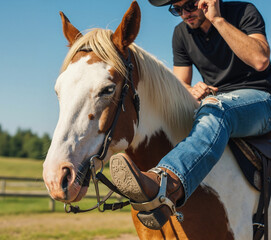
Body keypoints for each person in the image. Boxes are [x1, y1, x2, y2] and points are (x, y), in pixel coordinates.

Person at [109, 0, 271, 230]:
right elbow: (181, 85)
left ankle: (167, 184)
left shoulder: (243, 12)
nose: (184, 14)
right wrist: (192, 89)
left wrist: (218, 20)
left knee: (216, 109)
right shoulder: (181, 34)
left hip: (261, 101)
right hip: (216, 103)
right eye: (177, 9)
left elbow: (261, 60)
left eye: (190, 5)